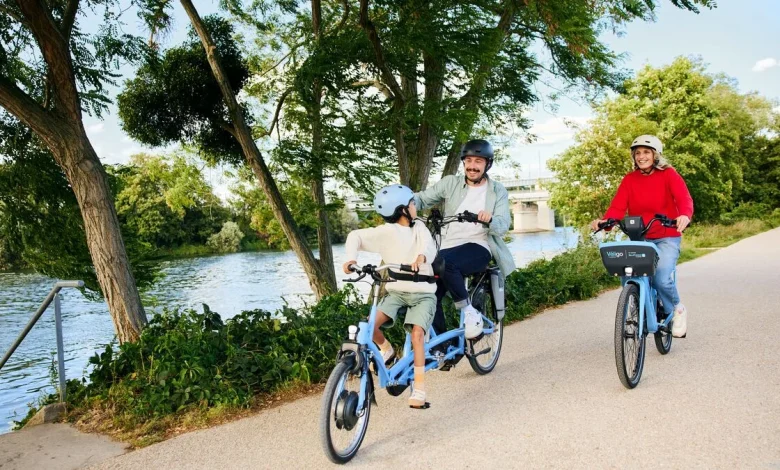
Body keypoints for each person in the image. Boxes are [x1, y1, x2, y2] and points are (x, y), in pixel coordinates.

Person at [343, 184, 438, 409]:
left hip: (424, 294)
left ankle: (420, 389)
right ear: (402, 209)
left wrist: (422, 257)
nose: (415, 206)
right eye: (412, 203)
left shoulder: (420, 227)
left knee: (417, 335)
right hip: (397, 291)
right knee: (369, 326)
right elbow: (355, 236)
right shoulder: (385, 232)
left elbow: (429, 246)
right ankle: (387, 349)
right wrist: (350, 259)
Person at [590, 135, 694, 338]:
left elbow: (684, 198)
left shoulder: (669, 175)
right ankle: (637, 308)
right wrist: (606, 222)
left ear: (655, 155)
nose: (641, 156)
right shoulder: (630, 180)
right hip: (640, 238)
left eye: (646, 152)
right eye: (637, 153)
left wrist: (684, 215)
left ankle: (677, 309)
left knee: (662, 277)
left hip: (666, 236)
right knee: (627, 275)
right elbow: (618, 207)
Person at [413, 139, 516, 340]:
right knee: (426, 293)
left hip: (479, 245)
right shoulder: (450, 183)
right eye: (468, 160)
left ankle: (470, 313)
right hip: (446, 245)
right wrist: (403, 201)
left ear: (487, 164)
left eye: (478, 161)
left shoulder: (497, 191)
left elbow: (504, 224)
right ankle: (441, 346)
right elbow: (423, 198)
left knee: (446, 263)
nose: (472, 166)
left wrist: (490, 219)